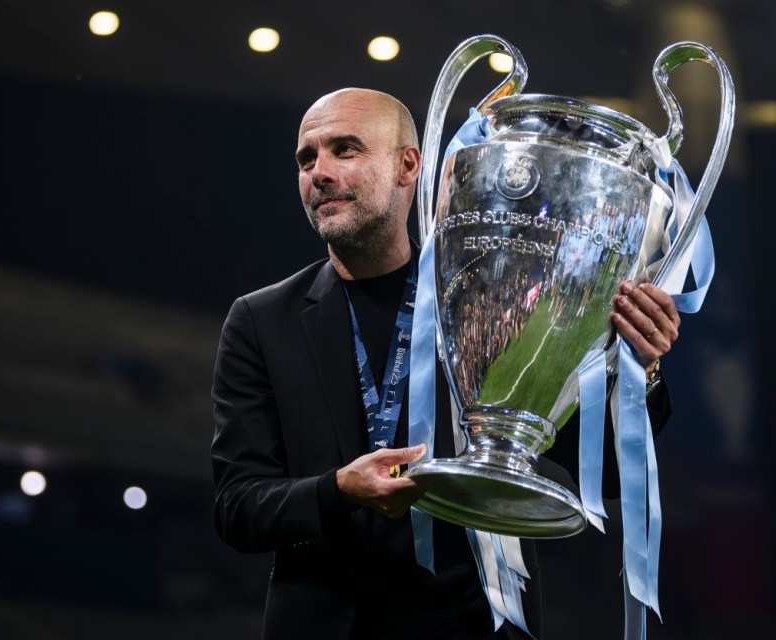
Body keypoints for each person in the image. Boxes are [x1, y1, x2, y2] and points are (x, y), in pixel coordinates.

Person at [211, 88, 679, 639]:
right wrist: (338, 489)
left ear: (408, 164)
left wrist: (640, 369)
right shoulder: (263, 321)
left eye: (345, 149)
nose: (320, 172)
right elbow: (237, 506)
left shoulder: (495, 298)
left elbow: (604, 471)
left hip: (475, 626)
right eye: (306, 158)